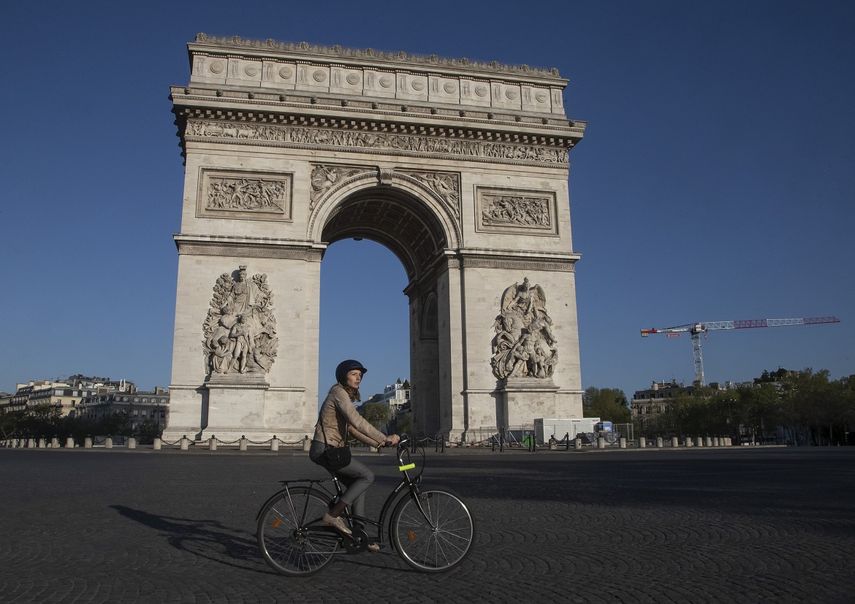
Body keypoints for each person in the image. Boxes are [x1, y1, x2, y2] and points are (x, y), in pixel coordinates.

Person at [309, 359, 400, 551]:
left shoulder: (341, 394)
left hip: (329, 449)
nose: (358, 378)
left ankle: (360, 536)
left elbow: (351, 430)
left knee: (358, 486)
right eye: (354, 374)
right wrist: (384, 436)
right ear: (343, 376)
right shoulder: (338, 393)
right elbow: (356, 421)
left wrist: (379, 443)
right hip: (326, 449)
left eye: (360, 375)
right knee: (367, 476)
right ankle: (333, 515)